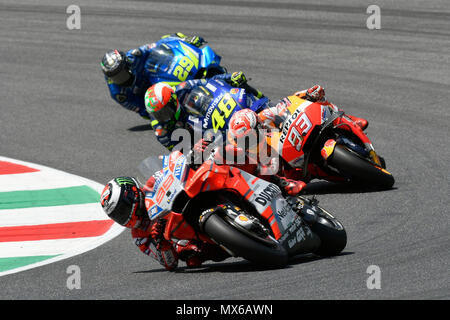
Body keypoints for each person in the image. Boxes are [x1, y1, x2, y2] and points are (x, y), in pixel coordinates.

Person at [100, 176, 227, 271]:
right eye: (117, 216)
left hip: (188, 202)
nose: (122, 217)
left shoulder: (152, 184)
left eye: (122, 210)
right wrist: (162, 242)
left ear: (132, 194)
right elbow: (170, 263)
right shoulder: (139, 237)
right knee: (189, 256)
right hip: (194, 239)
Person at [144, 71, 265, 150]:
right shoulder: (161, 130)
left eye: (165, 110)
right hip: (203, 144)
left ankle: (264, 101)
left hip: (210, 115)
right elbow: (179, 154)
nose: (164, 116)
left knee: (241, 85)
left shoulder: (183, 88)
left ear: (173, 99)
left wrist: (230, 77)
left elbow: (210, 81)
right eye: (158, 114)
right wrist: (193, 150)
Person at [100, 33, 207, 120]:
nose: (120, 79)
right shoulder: (118, 93)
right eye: (115, 77)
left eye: (121, 74)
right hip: (148, 96)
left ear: (127, 66)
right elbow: (142, 109)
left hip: (154, 76)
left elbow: (157, 44)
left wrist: (185, 39)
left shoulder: (133, 56)